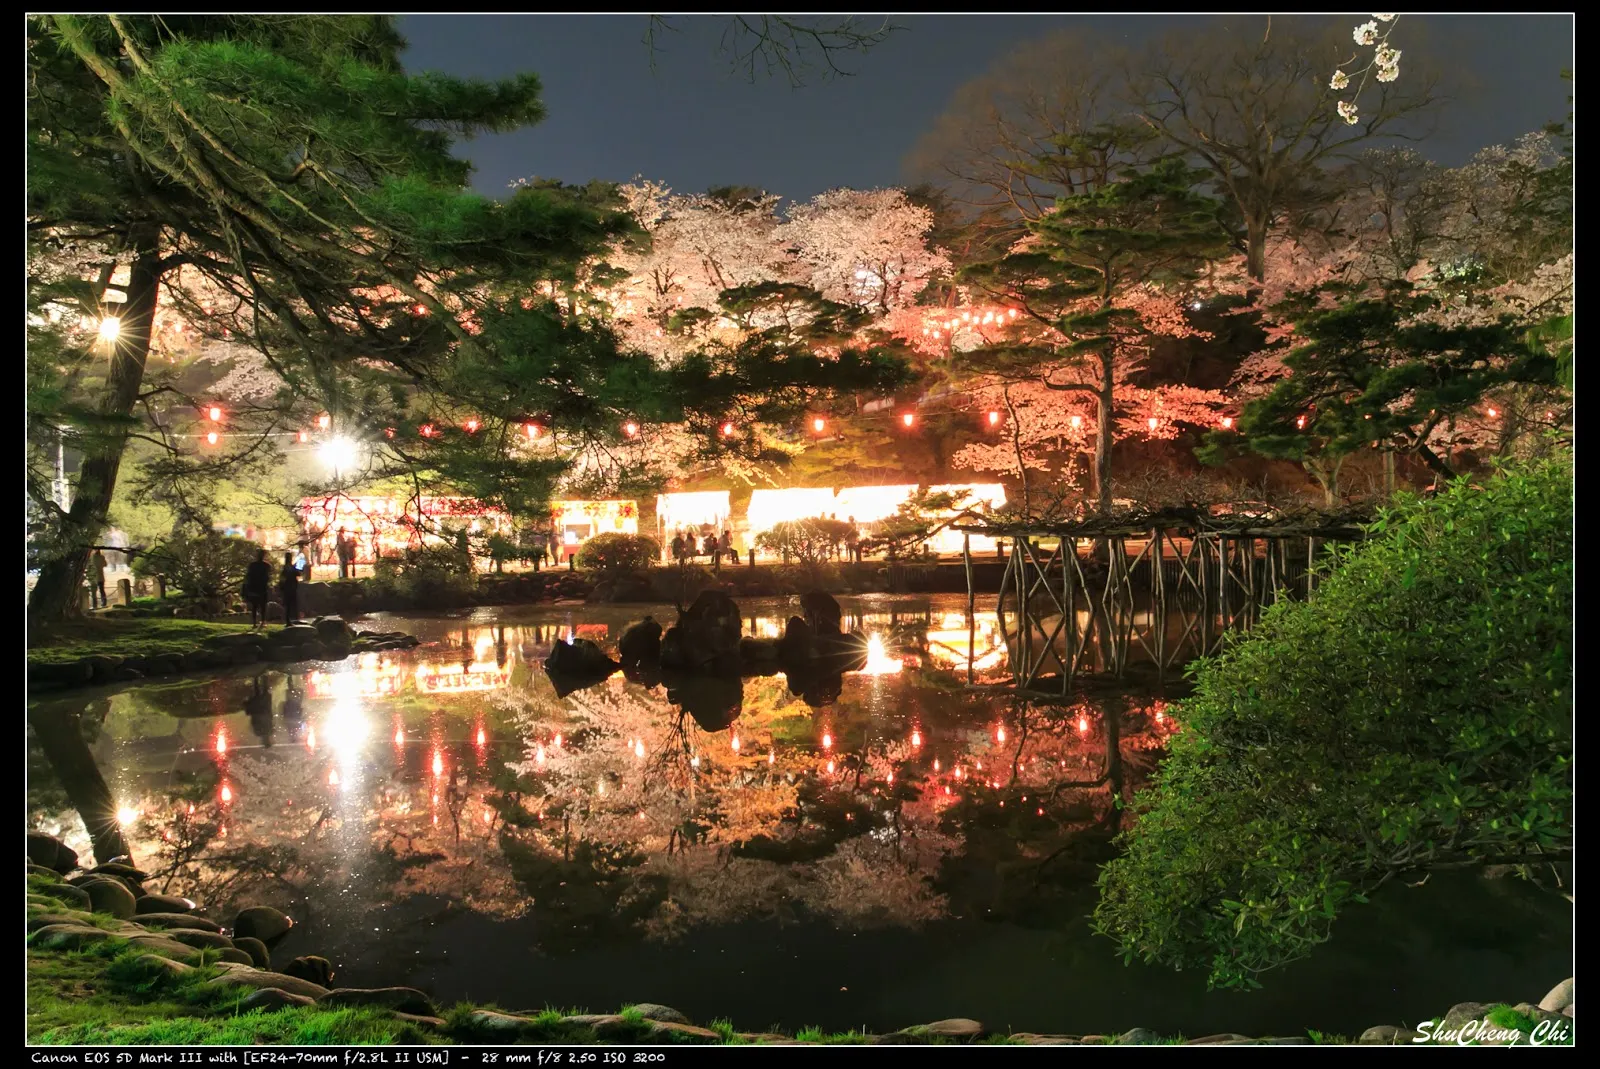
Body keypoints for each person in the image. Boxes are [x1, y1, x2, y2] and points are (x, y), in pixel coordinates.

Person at [243, 549, 271, 628]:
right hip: (262, 588)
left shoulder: (252, 565)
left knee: (254, 606)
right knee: (263, 606)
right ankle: (262, 622)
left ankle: (254, 623)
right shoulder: (267, 565)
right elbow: (268, 577)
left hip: (254, 588)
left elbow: (248, 576)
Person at [278, 551, 301, 623]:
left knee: (288, 604)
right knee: (290, 604)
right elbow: (298, 573)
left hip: (288, 588)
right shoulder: (290, 568)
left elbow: (282, 579)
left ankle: (289, 619)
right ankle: (289, 619)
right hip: (291, 588)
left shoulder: (286, 568)